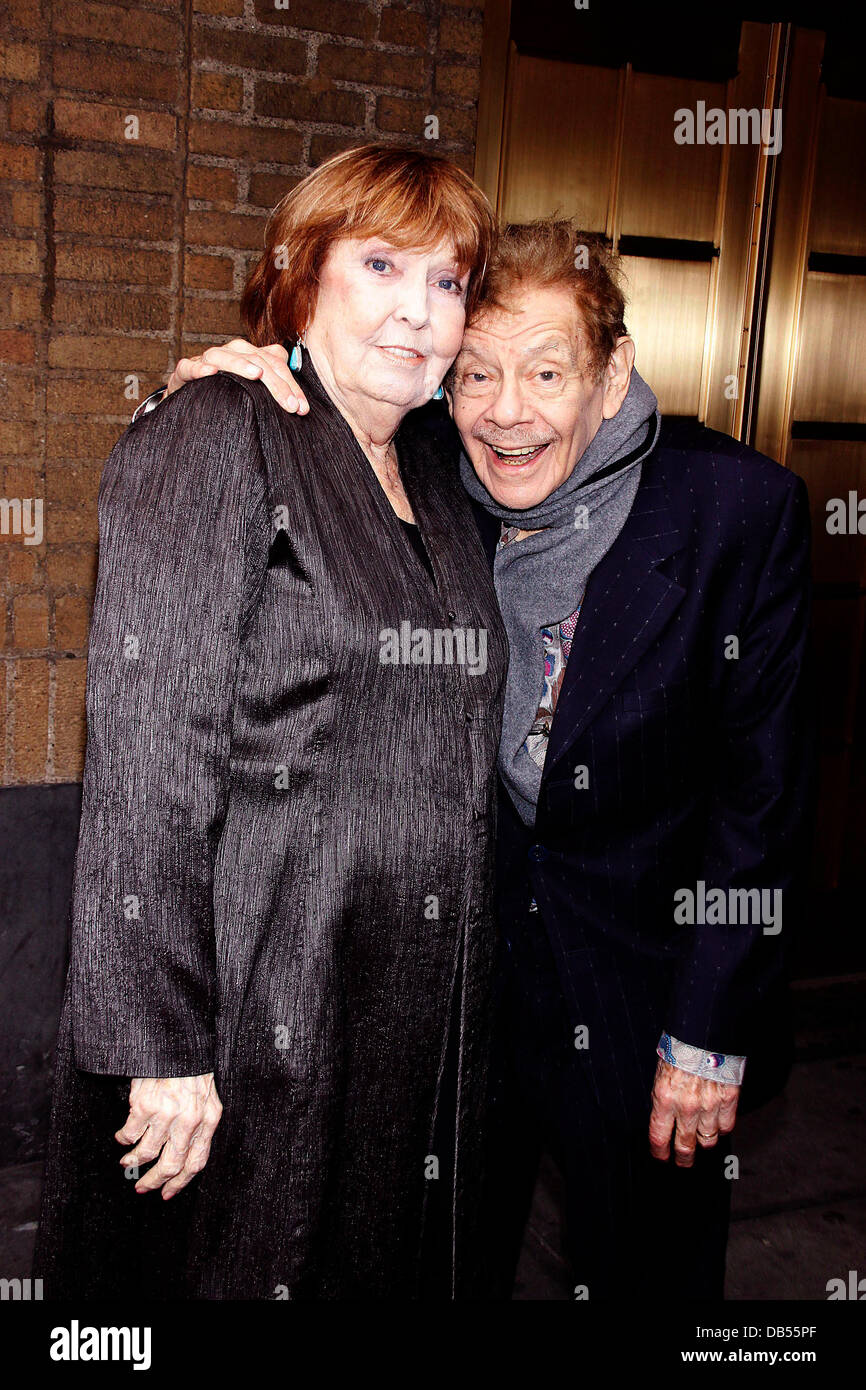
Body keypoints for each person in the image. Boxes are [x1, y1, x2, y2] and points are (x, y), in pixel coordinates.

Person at [168, 218, 814, 1300]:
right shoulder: (432, 475)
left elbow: (760, 799)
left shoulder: (731, 511)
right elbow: (326, 411)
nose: (505, 410)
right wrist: (228, 382)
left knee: (647, 1273)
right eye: (475, 374)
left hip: (645, 988)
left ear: (611, 376)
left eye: (546, 370)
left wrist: (704, 1030)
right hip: (464, 995)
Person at [33, 144, 507, 1301]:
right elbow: (147, 755)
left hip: (406, 1014)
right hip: (258, 1000)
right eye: (382, 264)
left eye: (447, 282)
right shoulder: (220, 430)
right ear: (301, 274)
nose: (418, 311)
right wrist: (157, 1046)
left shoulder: (441, 479)